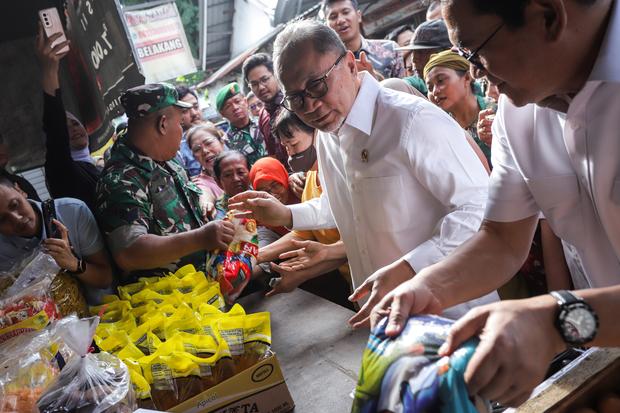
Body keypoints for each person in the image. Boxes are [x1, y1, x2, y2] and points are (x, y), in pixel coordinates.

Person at [364, 0, 620, 407]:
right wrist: (428, 285)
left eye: (475, 51)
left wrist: (556, 321)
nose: (477, 73)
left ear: (549, 17)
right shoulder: (518, 113)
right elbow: (502, 238)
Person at [229, 20, 498, 320]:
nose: (310, 106)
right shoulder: (329, 137)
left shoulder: (410, 120)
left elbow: (478, 208)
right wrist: (287, 214)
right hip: (387, 319)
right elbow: (344, 204)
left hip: (453, 311)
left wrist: (410, 266)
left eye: (317, 85)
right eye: (296, 98)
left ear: (349, 64)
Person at [96, 83, 234, 283]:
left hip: (205, 285)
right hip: (171, 302)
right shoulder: (120, 180)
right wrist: (200, 237)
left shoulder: (168, 159)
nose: (181, 131)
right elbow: (129, 253)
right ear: (163, 124)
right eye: (179, 123)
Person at [0, 177, 113, 304]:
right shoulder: (2, 252)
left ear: (20, 190)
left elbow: (105, 278)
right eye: (2, 219)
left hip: (104, 312)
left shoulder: (72, 212)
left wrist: (73, 263)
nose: (17, 218)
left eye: (15, 205)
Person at [36, 25, 100, 212]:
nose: (72, 128)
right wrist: (49, 72)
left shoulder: (97, 167)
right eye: (66, 128)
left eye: (75, 123)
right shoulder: (62, 169)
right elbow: (55, 131)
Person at [424, 50, 492, 164]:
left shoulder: (495, 113)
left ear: (466, 78)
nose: (435, 91)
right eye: (430, 87)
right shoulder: (439, 128)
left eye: (440, 80)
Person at [323, 0, 405, 79]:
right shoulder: (325, 67)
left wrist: (376, 79)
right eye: (333, 17)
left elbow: (405, 90)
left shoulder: (391, 50)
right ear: (326, 26)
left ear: (358, 16)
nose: (340, 20)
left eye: (346, 12)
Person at [242, 53, 289, 169]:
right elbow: (274, 154)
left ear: (275, 75)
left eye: (265, 79)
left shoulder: (294, 102)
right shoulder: (263, 116)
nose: (261, 87)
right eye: (254, 84)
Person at [249, 157, 300, 246]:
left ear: (284, 179)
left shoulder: (301, 190)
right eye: (264, 191)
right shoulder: (262, 216)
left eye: (276, 185)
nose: (272, 195)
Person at [215, 82, 266, 168]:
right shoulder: (226, 142)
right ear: (222, 114)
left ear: (245, 102)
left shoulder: (264, 123)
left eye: (237, 101)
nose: (235, 107)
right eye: (228, 106)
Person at [395, 19, 453, 94]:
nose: (414, 59)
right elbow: (398, 85)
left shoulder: (470, 76)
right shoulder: (417, 84)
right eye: (413, 52)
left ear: (446, 52)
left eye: (421, 52)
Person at [187, 125, 226, 217]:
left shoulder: (243, 165)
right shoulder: (200, 183)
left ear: (221, 141)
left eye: (208, 143)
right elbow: (204, 194)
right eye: (197, 149)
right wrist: (206, 204)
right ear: (194, 156)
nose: (204, 151)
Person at [213, 151, 252, 220]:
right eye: (228, 175)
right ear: (218, 182)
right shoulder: (220, 214)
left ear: (250, 172)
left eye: (240, 172)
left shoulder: (262, 192)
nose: (236, 179)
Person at [175, 85, 203, 177]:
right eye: (185, 110)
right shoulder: (175, 150)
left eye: (196, 107)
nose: (194, 113)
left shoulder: (217, 134)